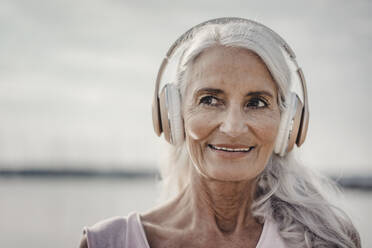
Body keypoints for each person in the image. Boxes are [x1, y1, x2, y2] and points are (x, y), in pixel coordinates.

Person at [79, 17, 361, 248]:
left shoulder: (328, 241)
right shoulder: (107, 242)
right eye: (210, 100)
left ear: (289, 123)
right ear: (173, 115)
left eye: (257, 103)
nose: (233, 127)